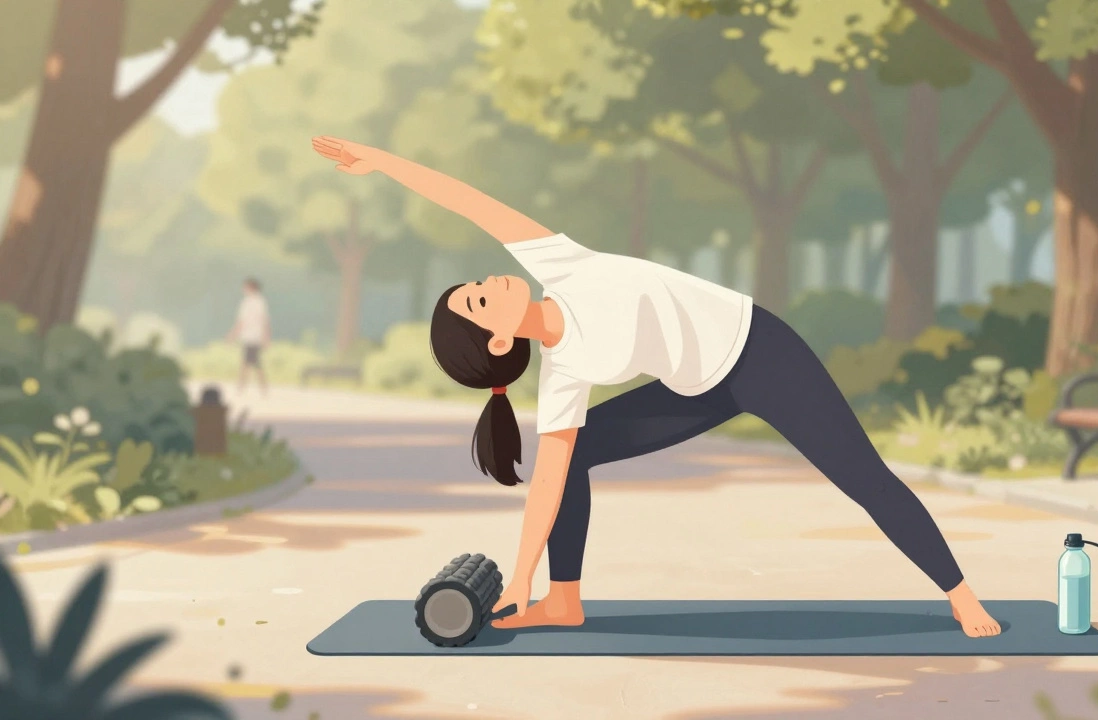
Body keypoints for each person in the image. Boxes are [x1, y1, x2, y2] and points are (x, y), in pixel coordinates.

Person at [310, 135, 1003, 639]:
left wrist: (385, 164)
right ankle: (563, 597)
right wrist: (518, 579)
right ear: (498, 341)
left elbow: (470, 203)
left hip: (759, 351)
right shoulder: (563, 376)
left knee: (862, 475)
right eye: (479, 304)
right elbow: (546, 486)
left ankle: (961, 594)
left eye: (474, 289)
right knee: (571, 453)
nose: (486, 284)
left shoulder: (561, 264)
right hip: (698, 387)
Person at [227, 277, 270, 396]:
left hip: (252, 336)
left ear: (251, 287)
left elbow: (245, 321)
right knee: (250, 363)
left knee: (250, 363)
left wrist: (233, 334)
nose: (243, 289)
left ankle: (245, 387)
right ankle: (253, 387)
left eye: (245, 287)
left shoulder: (253, 302)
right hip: (251, 336)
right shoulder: (255, 301)